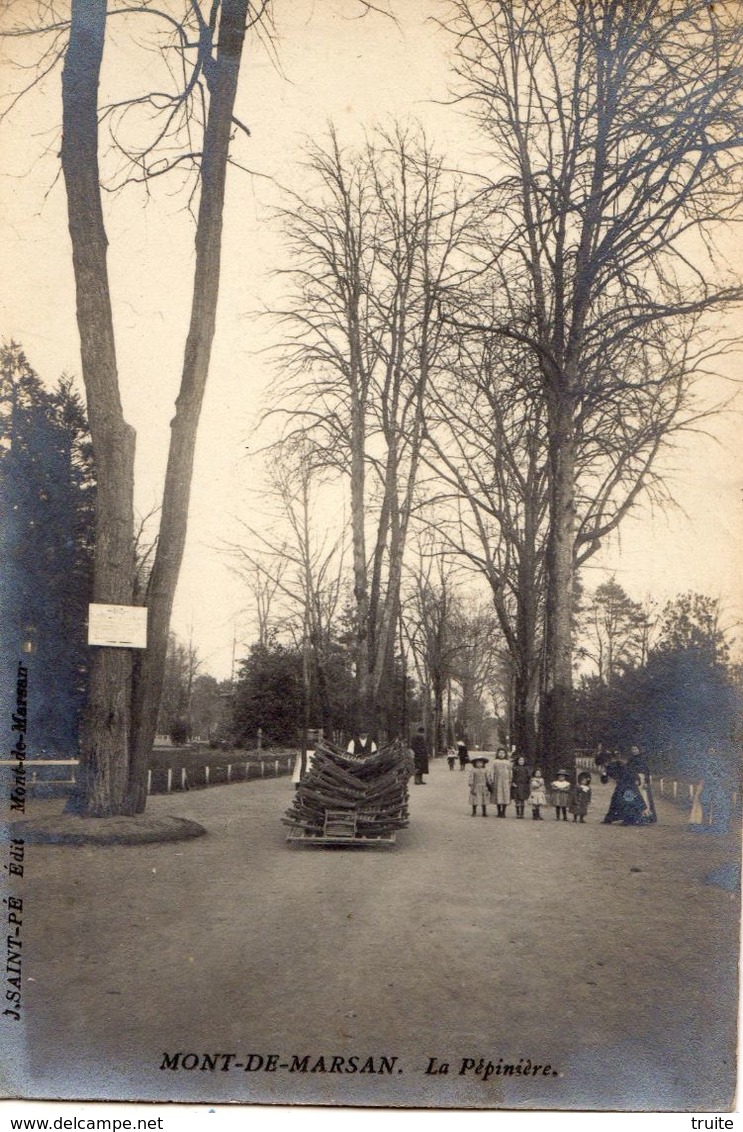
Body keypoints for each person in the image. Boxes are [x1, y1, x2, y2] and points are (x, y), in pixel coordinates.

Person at [601, 752, 646, 825]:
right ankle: (610, 819)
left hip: (628, 784)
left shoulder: (617, 765)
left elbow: (630, 771)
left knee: (626, 801)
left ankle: (628, 819)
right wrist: (604, 773)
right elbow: (604, 781)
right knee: (617, 800)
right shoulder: (610, 766)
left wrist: (637, 779)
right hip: (622, 784)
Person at [489, 748, 513, 817]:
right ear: (497, 754)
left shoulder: (508, 762)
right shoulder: (495, 762)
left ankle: (504, 812)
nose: (501, 754)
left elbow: (510, 771)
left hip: (505, 781)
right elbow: (492, 771)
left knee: (505, 795)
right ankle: (499, 811)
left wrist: (510, 779)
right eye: (500, 753)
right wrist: (492, 779)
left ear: (505, 754)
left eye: (503, 753)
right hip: (497, 781)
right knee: (498, 795)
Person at [511, 754, 531, 818]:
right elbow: (512, 776)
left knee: (522, 799)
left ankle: (522, 814)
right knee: (517, 799)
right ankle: (517, 813)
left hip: (524, 785)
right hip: (516, 785)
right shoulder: (514, 768)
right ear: (517, 761)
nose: (521, 761)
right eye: (520, 760)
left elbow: (529, 776)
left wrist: (528, 783)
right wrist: (513, 782)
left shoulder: (526, 768)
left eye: (522, 760)